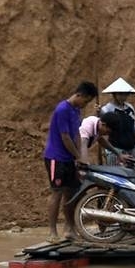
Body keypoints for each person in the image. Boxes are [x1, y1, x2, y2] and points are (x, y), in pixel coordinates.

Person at [43, 81, 98, 243]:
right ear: (79, 95)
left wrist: (81, 155)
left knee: (72, 192)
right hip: (56, 158)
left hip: (69, 158)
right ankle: (52, 232)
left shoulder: (75, 111)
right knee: (57, 193)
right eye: (86, 101)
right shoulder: (62, 109)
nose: (85, 105)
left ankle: (70, 228)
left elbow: (76, 135)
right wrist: (77, 155)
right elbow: (65, 137)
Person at [100, 77, 135, 165]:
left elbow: (134, 125)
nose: (123, 97)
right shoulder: (107, 109)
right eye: (120, 94)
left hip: (131, 148)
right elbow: (102, 128)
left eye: (125, 94)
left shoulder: (130, 108)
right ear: (114, 94)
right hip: (116, 148)